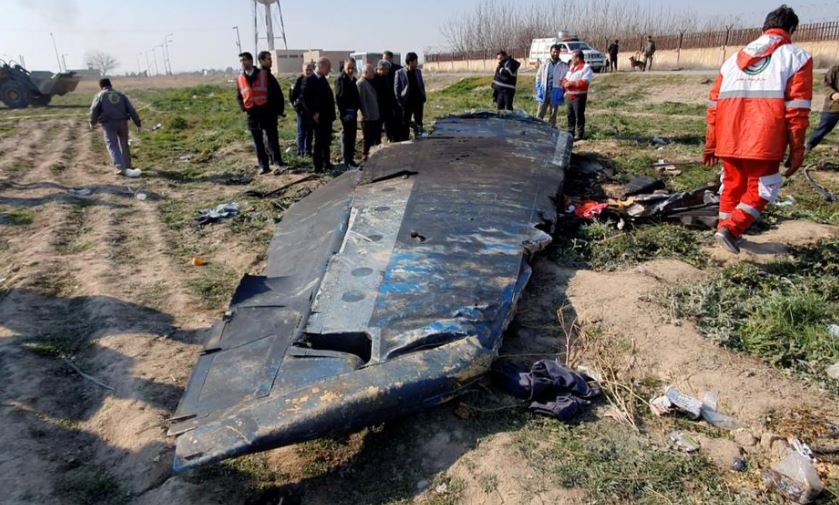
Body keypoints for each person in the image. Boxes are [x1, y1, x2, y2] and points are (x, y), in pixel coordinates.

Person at [704, 5, 812, 254]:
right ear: (792, 29)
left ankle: (726, 230)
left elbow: (713, 105)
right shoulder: (797, 57)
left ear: (763, 28)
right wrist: (797, 149)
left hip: (728, 136)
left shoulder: (731, 61)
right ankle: (731, 230)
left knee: (732, 185)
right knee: (763, 188)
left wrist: (712, 143)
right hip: (764, 139)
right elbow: (797, 111)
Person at [235, 52, 283, 175]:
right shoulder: (240, 79)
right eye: (241, 61)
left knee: (272, 137)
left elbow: (276, 92)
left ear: (251, 61)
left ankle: (277, 161)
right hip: (252, 114)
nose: (243, 63)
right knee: (258, 142)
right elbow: (239, 96)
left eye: (245, 60)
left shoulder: (264, 74)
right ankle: (263, 165)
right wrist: (244, 108)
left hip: (266, 112)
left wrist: (277, 110)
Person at [89, 78, 142, 178]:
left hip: (108, 124)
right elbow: (131, 109)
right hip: (123, 123)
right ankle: (128, 166)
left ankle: (121, 168)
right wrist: (138, 123)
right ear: (111, 85)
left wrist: (92, 122)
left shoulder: (100, 95)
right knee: (124, 144)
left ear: (100, 86)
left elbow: (94, 109)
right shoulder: (120, 95)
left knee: (112, 145)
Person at [302, 57, 336, 173]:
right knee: (319, 142)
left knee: (326, 141)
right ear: (321, 66)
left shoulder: (322, 79)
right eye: (328, 68)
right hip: (318, 118)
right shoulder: (310, 79)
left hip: (326, 116)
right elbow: (305, 99)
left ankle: (327, 162)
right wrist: (313, 113)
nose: (329, 70)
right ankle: (318, 166)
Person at [257, 50, 287, 168]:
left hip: (271, 112)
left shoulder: (267, 75)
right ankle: (275, 160)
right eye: (268, 59)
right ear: (262, 61)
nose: (271, 61)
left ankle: (275, 159)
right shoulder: (262, 76)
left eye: (271, 59)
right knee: (271, 137)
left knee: (271, 136)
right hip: (266, 112)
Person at [805, 64, 839, 154]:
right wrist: (833, 94)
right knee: (823, 128)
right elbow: (825, 85)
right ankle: (809, 146)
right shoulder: (835, 69)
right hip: (833, 106)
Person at [562, 50, 594, 141]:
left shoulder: (586, 68)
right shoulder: (572, 67)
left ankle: (580, 134)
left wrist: (571, 83)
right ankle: (570, 132)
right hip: (569, 96)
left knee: (579, 115)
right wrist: (565, 83)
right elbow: (565, 78)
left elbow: (585, 82)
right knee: (570, 115)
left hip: (579, 97)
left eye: (573, 58)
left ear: (578, 58)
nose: (571, 60)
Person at [535, 44, 569, 126]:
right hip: (544, 92)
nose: (555, 54)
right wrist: (539, 88)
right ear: (550, 52)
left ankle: (551, 131)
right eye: (554, 52)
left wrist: (563, 91)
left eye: (557, 52)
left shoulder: (563, 66)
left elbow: (566, 78)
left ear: (559, 53)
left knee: (553, 115)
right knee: (540, 114)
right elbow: (538, 76)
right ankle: (536, 128)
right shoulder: (544, 64)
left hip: (556, 93)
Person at [394, 52, 426, 140]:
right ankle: (405, 139)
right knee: (405, 123)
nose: (417, 63)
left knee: (419, 121)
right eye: (416, 61)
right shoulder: (399, 73)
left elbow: (421, 85)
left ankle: (418, 137)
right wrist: (400, 102)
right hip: (406, 102)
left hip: (418, 102)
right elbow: (397, 90)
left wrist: (423, 97)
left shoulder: (418, 72)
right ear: (410, 62)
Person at [335, 58, 360, 168]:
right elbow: (339, 98)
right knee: (347, 136)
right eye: (348, 68)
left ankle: (350, 158)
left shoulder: (353, 80)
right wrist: (343, 114)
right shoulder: (341, 80)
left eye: (352, 68)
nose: (350, 70)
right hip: (346, 113)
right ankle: (346, 160)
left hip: (353, 112)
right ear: (344, 67)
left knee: (352, 135)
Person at [357, 63, 382, 162]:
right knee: (367, 138)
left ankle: (375, 156)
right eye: (372, 71)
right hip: (367, 117)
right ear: (366, 72)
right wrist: (365, 114)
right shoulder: (361, 83)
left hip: (374, 115)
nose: (374, 73)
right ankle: (366, 156)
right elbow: (361, 100)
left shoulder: (370, 81)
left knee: (375, 137)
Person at [290, 62, 314, 156]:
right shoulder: (299, 80)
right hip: (302, 111)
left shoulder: (313, 80)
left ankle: (308, 150)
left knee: (310, 132)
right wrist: (297, 107)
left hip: (311, 111)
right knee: (301, 132)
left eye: (310, 70)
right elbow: (292, 95)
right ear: (303, 70)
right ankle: (300, 152)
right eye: (306, 70)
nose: (308, 71)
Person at [374, 60, 399, 143]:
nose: (388, 71)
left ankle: (389, 137)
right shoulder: (374, 78)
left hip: (387, 106)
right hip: (378, 107)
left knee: (388, 123)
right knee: (378, 127)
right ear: (381, 69)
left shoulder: (386, 77)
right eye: (387, 69)